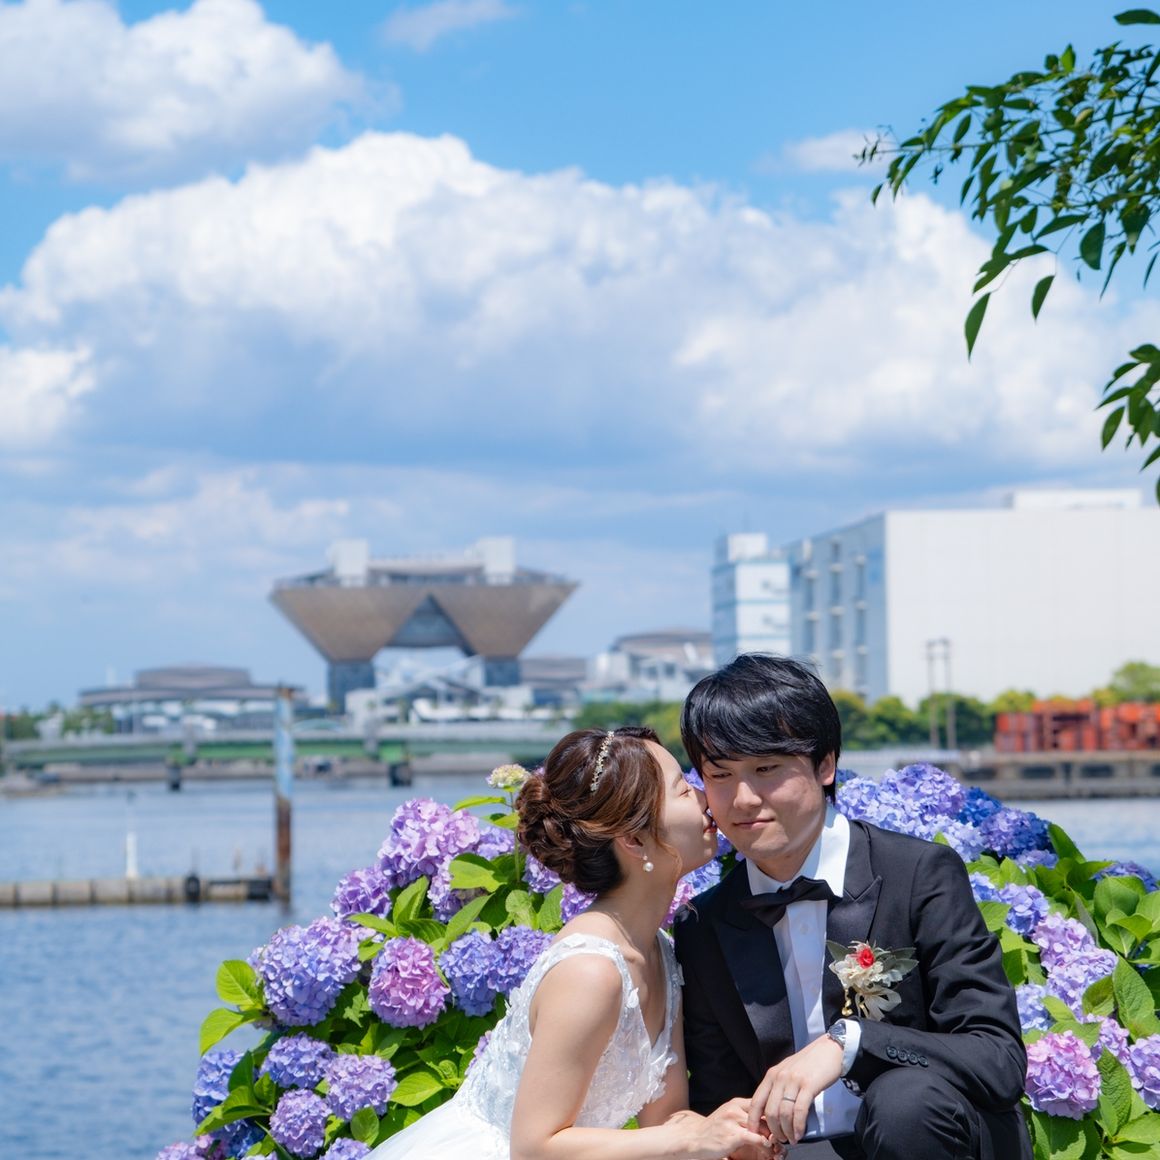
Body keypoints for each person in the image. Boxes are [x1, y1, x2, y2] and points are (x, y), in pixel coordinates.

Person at [673, 654, 1031, 1160]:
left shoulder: (919, 874)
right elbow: (718, 1094)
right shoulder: (703, 923)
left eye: (766, 768)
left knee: (905, 1102)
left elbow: (997, 1058)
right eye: (721, 774)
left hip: (920, 1140)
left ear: (825, 764)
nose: (743, 798)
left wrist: (850, 1042)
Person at [366, 725, 776, 1160]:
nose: (703, 797)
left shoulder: (656, 946)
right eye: (681, 789)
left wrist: (729, 1130)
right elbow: (535, 1148)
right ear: (634, 840)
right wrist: (693, 1138)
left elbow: (664, 1121)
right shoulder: (590, 971)